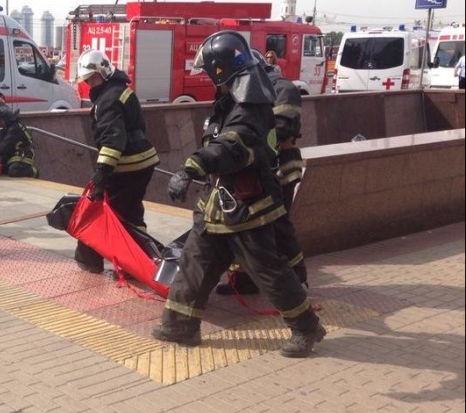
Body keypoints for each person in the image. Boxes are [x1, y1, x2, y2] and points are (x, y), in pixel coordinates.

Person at [153, 31, 325, 358]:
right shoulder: (234, 97)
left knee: (267, 270)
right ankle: (180, 325)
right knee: (194, 263)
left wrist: (191, 168)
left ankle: (307, 327)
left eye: (209, 72)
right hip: (219, 203)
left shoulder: (252, 105)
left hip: (248, 206)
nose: (206, 77)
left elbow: (233, 144)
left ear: (222, 69)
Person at [216, 49, 308, 295]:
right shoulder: (246, 88)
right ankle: (244, 281)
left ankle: (296, 279)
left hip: (280, 168)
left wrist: (247, 143)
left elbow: (282, 127)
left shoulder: (283, 89)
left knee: (278, 225)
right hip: (253, 170)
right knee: (246, 225)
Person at [72, 49, 159, 274]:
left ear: (104, 72)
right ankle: (142, 262)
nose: (90, 84)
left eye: (93, 79)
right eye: (87, 81)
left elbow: (112, 141)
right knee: (131, 213)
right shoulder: (120, 90)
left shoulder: (108, 99)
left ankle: (106, 262)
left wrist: (101, 175)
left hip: (127, 166)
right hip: (142, 162)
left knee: (110, 213)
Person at [0, 106, 39, 178]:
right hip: (15, 154)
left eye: (1, 121)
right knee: (2, 169)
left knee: (13, 171)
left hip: (25, 154)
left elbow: (5, 145)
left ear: (6, 119)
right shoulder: (11, 127)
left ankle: (33, 171)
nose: (0, 123)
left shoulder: (14, 129)